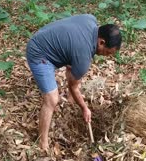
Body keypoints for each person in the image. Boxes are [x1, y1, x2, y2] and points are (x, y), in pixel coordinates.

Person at [26, 14, 122, 150]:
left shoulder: (91, 20)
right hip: (38, 53)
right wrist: (84, 108)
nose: (107, 56)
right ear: (101, 42)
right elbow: (73, 86)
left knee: (72, 64)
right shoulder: (83, 56)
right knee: (52, 99)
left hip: (43, 36)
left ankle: (70, 104)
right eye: (108, 52)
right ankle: (43, 144)